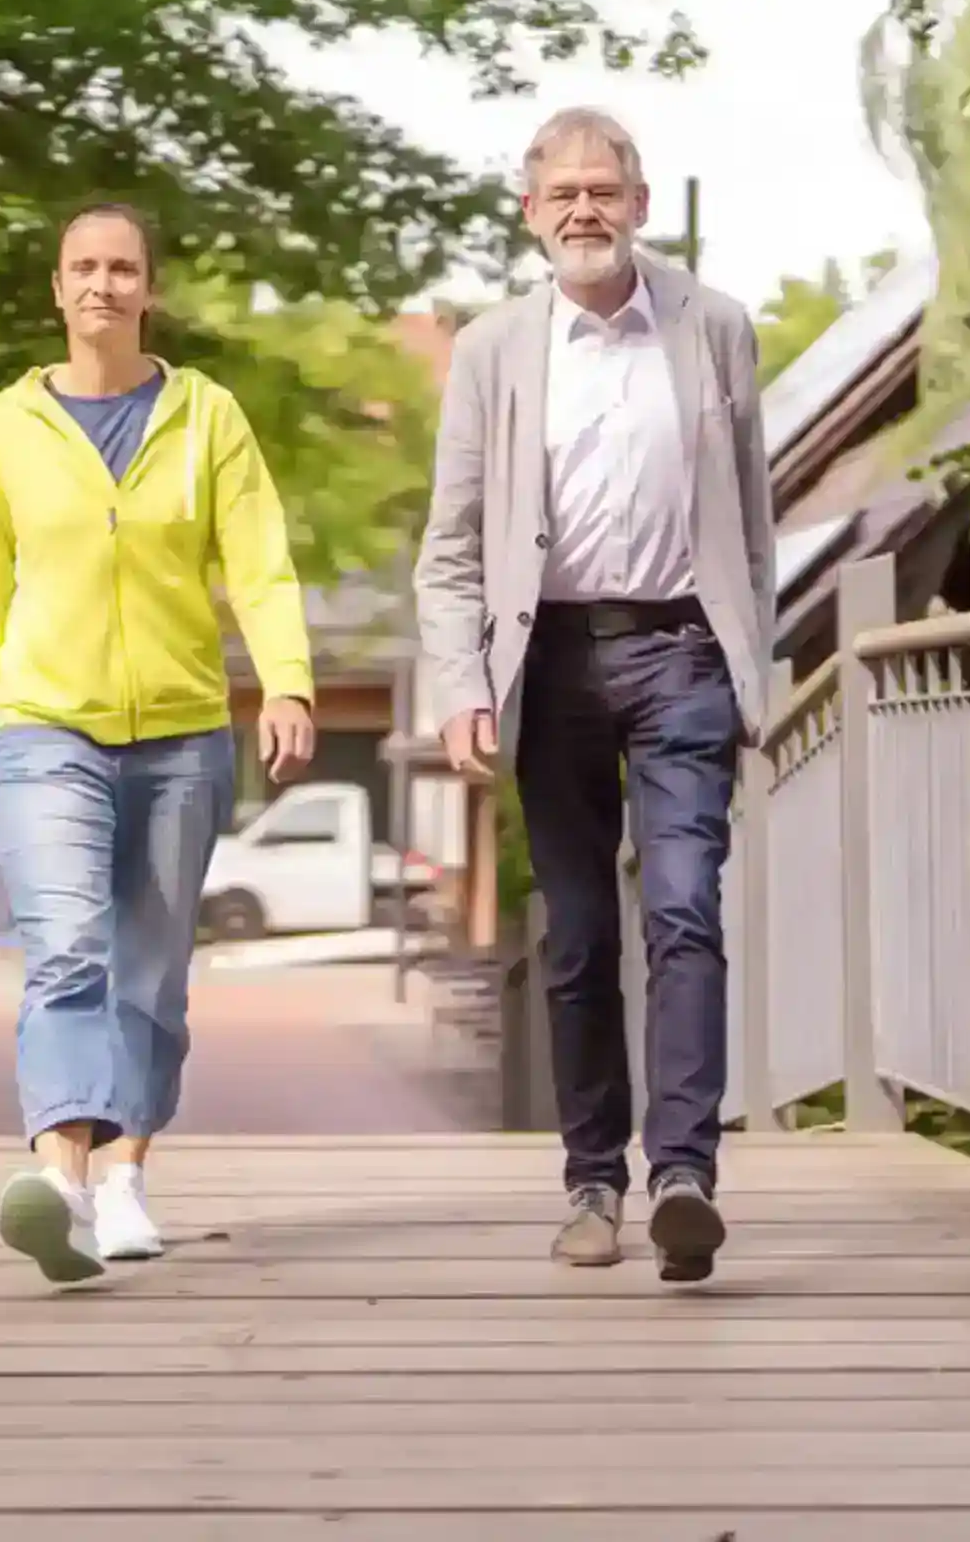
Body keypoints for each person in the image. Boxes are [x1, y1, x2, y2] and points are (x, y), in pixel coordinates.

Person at [413, 108, 774, 1283]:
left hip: (681, 654)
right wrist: (461, 683)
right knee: (577, 934)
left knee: (683, 910)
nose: (583, 210)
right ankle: (590, 1181)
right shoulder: (490, 350)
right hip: (551, 662)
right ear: (528, 212)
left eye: (602, 190)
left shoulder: (713, 328)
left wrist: (746, 660)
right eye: (560, 192)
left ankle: (682, 1174)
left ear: (639, 202)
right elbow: (452, 545)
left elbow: (753, 524)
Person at [0, 201, 316, 1284]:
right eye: (81, 268)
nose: (100, 284)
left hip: (184, 732)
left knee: (150, 974)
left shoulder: (206, 418)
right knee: (65, 950)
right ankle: (59, 1178)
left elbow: (260, 566)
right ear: (55, 290)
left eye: (121, 267)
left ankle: (125, 1178)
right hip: (43, 726)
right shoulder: (6, 427)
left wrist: (285, 680)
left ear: (148, 289)